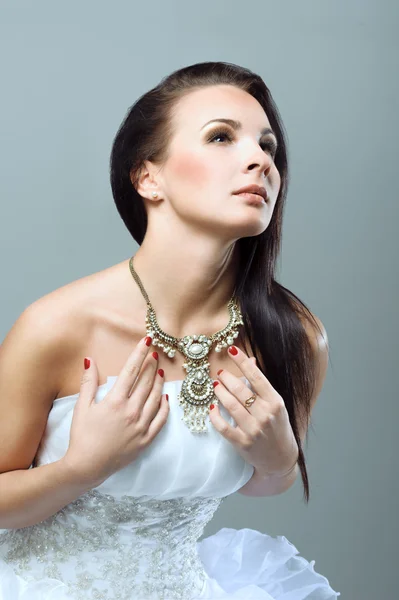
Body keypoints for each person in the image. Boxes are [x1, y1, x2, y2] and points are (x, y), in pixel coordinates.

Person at [0, 61, 340, 599]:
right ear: (147, 177)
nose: (260, 161)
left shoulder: (295, 335)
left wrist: (279, 459)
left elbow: (266, 482)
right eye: (221, 137)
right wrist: (80, 470)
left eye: (268, 146)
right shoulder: (57, 327)